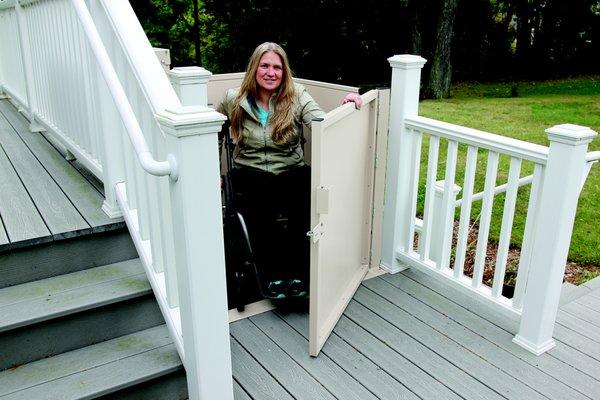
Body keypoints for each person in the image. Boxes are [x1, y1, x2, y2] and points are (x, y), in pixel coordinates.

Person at [217, 42, 362, 300]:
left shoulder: (297, 97)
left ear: (284, 72)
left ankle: (297, 274)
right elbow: (212, 128)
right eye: (265, 66)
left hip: (289, 169)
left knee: (305, 198)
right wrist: (211, 172)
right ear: (254, 68)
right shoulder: (233, 99)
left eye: (277, 67)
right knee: (259, 206)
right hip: (249, 170)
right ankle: (271, 274)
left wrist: (345, 106)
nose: (271, 72)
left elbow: (322, 122)